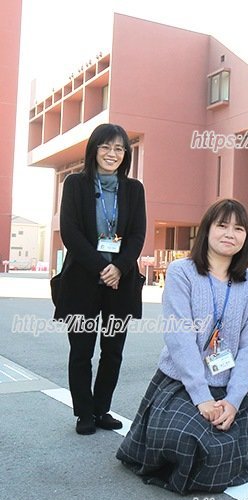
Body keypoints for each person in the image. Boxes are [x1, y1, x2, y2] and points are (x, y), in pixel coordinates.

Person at [116, 199, 248, 494]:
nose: (229, 233)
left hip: (227, 387)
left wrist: (233, 401)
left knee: (218, 451)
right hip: (182, 383)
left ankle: (222, 426)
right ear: (206, 230)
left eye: (238, 228)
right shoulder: (181, 272)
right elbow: (179, 339)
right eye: (222, 225)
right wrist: (202, 398)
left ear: (246, 237)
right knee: (186, 440)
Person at [52, 123, 146, 435]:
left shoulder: (134, 189)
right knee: (81, 351)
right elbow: (70, 232)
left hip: (121, 283)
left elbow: (137, 235)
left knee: (113, 350)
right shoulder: (75, 184)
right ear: (94, 149)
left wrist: (118, 267)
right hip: (81, 281)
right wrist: (101, 268)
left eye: (119, 148)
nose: (112, 153)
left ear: (126, 154)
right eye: (106, 147)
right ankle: (84, 414)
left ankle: (102, 409)